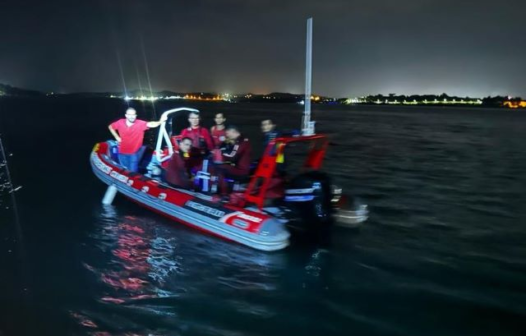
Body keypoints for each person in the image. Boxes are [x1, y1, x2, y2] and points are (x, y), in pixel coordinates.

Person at [108, 107, 167, 172]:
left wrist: (160, 121)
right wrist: (116, 137)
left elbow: (151, 124)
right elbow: (110, 127)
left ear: (136, 115)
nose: (131, 117)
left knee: (133, 173)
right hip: (122, 153)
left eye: (133, 115)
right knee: (124, 170)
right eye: (129, 115)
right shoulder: (120, 122)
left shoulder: (140, 124)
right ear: (126, 115)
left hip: (133, 154)